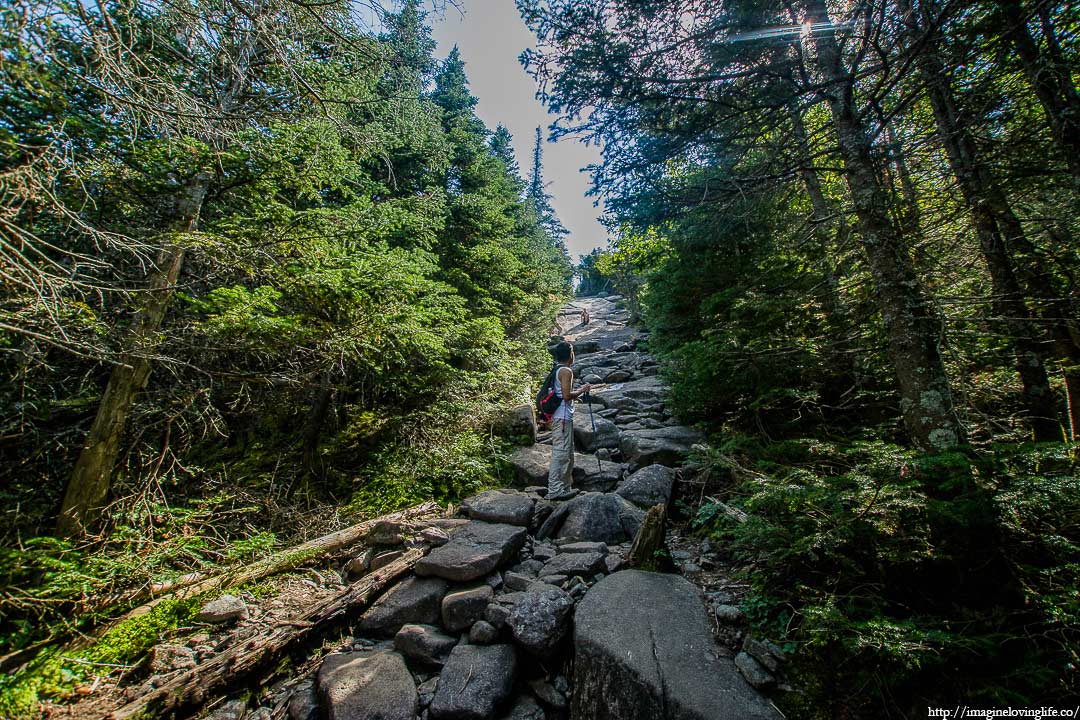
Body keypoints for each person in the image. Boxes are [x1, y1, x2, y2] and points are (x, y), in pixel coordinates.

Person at [547, 341, 591, 501]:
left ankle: (565, 487)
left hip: (560, 417)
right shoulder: (566, 371)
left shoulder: (557, 369)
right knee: (561, 453)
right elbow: (566, 396)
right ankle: (555, 490)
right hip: (562, 417)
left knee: (567, 452)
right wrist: (581, 390)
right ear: (570, 354)